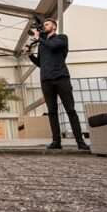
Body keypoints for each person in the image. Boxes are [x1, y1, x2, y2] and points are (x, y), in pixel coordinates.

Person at [29, 18, 89, 151]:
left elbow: (53, 46)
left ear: (54, 27)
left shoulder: (62, 38)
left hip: (61, 78)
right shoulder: (42, 44)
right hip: (46, 80)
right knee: (52, 112)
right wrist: (29, 54)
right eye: (43, 25)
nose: (44, 26)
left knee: (70, 110)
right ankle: (56, 141)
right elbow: (40, 63)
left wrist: (39, 38)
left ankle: (80, 142)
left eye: (47, 24)